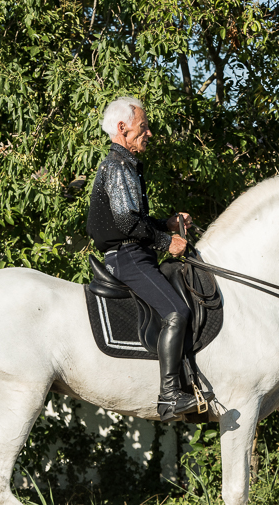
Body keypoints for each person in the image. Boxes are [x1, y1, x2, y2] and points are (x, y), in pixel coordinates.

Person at [86, 96, 205, 420]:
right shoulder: (119, 164)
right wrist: (167, 241)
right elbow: (126, 223)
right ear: (123, 128)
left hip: (133, 250)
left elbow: (132, 219)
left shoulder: (125, 164)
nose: (148, 133)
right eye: (143, 127)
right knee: (178, 311)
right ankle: (169, 396)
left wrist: (164, 224)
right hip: (129, 257)